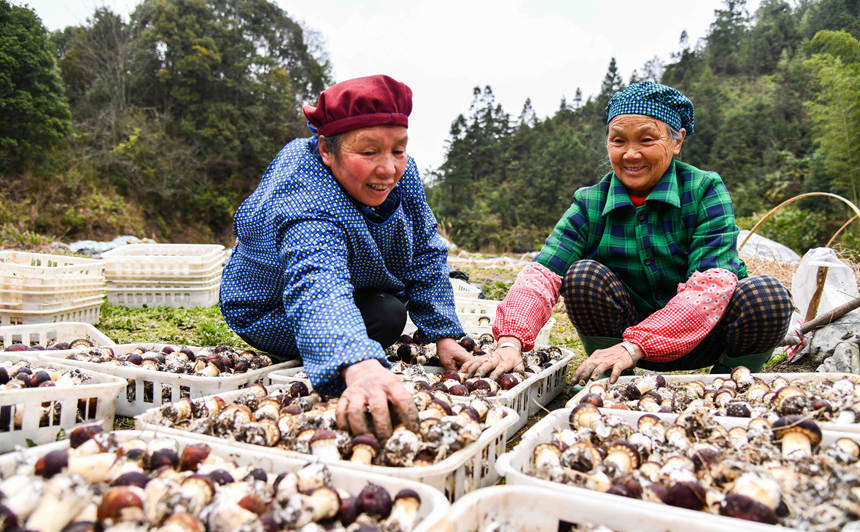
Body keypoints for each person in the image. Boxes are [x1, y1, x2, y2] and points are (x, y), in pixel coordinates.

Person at [461, 81, 793, 385]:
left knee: (767, 295)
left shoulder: (705, 190)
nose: (630, 154)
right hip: (618, 347)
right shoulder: (591, 201)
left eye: (647, 140)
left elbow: (712, 285)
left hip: (703, 335)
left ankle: (726, 384)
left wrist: (638, 344)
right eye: (618, 140)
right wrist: (510, 342)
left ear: (676, 141)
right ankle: (611, 379)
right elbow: (542, 274)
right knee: (582, 276)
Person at [220, 74, 471, 439]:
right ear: (326, 149)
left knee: (387, 311)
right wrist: (357, 362)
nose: (387, 169)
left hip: (352, 285)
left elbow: (425, 248)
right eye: (368, 152)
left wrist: (444, 333)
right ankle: (331, 347)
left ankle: (341, 341)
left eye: (398, 150)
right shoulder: (303, 184)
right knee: (387, 317)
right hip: (270, 307)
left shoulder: (404, 174)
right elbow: (315, 278)